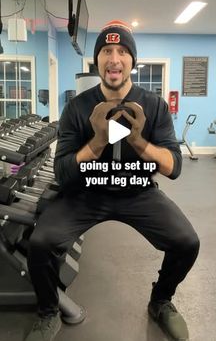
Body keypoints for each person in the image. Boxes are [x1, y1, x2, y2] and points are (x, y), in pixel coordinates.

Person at [25, 20, 200, 341]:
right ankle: (48, 310)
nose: (114, 58)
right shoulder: (77, 108)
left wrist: (140, 143)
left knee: (187, 243)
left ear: (133, 60)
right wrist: (95, 144)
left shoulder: (154, 105)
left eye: (122, 51)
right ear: (98, 59)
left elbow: (174, 166)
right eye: (106, 50)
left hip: (138, 191)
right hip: (85, 193)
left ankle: (161, 300)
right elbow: (63, 172)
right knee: (40, 243)